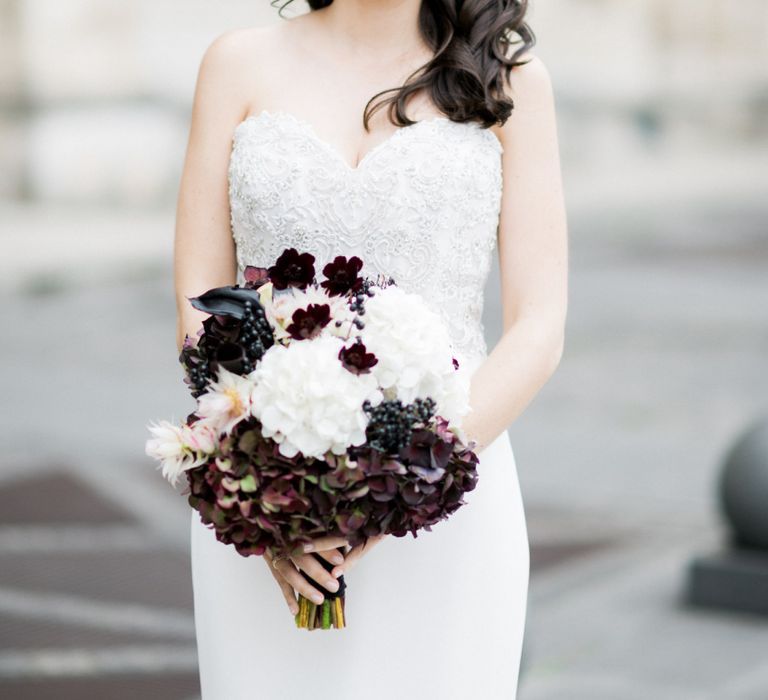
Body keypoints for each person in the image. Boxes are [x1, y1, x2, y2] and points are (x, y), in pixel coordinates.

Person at [174, 0, 568, 697]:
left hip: (448, 502)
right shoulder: (236, 62)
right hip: (270, 505)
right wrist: (268, 499)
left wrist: (406, 483)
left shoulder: (510, 78)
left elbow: (539, 324)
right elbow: (200, 303)